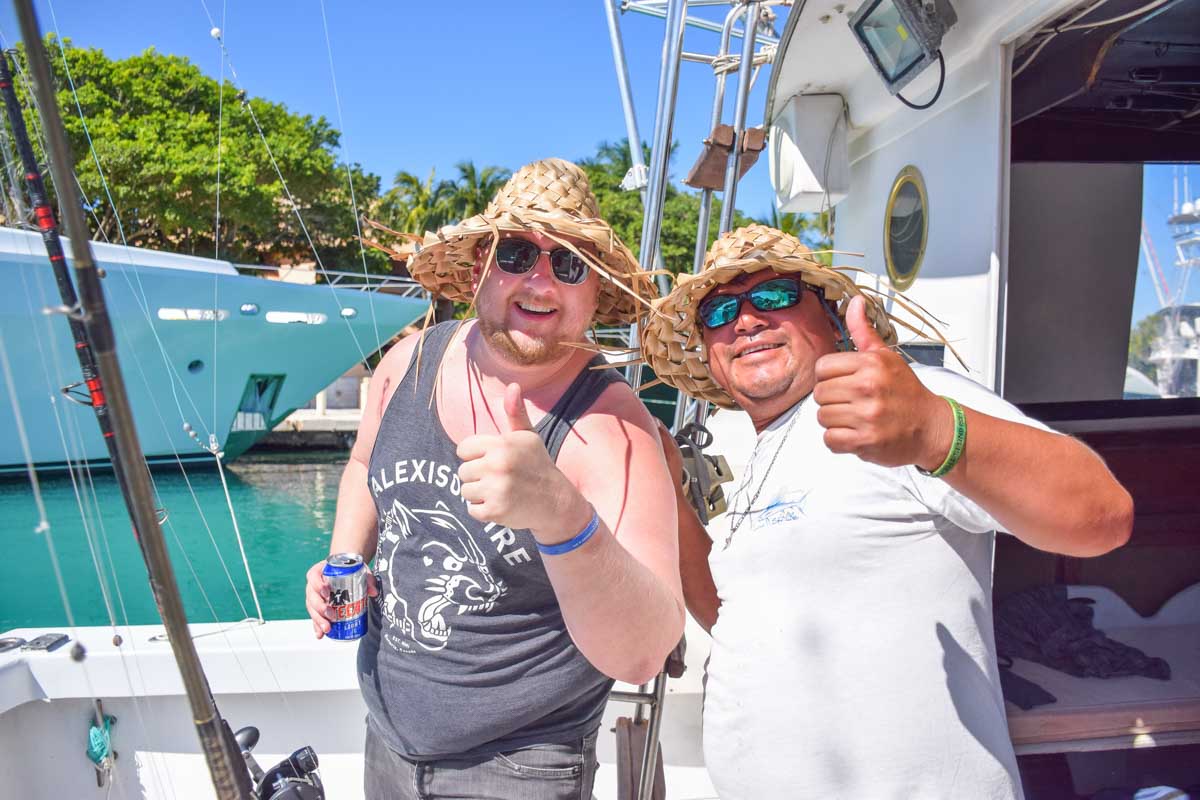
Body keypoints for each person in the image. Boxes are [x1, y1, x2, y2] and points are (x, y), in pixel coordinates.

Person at [642, 224, 1134, 799]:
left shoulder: (903, 400)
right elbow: (731, 618)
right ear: (710, 353)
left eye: (774, 297)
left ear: (830, 319)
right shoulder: (762, 452)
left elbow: (1102, 514)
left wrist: (932, 428)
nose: (746, 320)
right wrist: (667, 490)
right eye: (720, 311)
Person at [305, 158, 684, 800]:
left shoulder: (615, 430)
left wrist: (562, 514)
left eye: (569, 264)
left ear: (594, 292)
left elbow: (646, 650)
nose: (540, 281)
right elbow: (364, 466)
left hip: (520, 769)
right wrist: (345, 556)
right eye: (516, 253)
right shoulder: (412, 359)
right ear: (481, 263)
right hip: (388, 742)